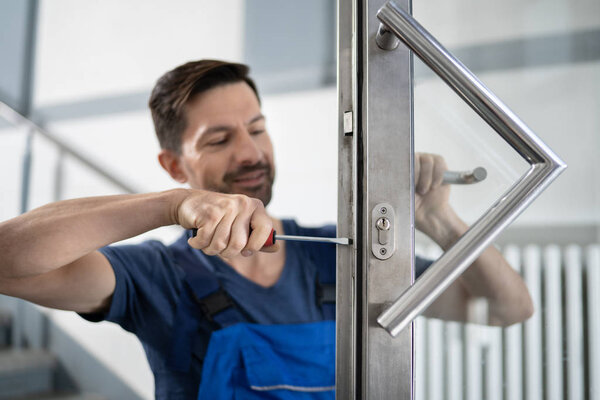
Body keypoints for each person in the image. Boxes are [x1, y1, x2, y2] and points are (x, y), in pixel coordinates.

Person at [0, 60, 533, 399]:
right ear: (172, 164)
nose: (251, 152)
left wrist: (440, 220)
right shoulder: (157, 277)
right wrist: (171, 205)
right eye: (219, 139)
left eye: (257, 129)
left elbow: (509, 310)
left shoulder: (339, 257)